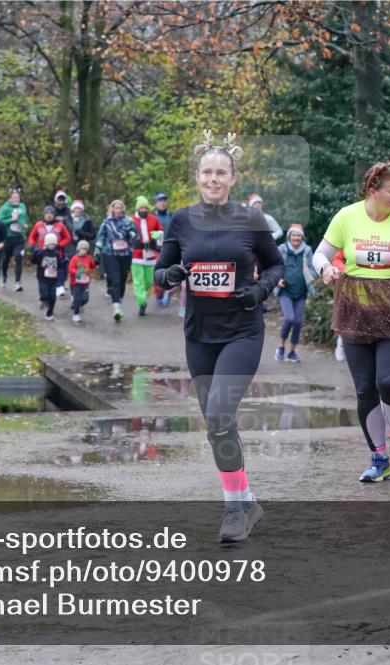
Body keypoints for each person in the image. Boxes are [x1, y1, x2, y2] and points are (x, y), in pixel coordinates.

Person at [154, 130, 284, 543]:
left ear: (232, 178)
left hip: (242, 332)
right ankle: (245, 500)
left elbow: (277, 267)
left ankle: (233, 511)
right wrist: (170, 276)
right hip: (199, 335)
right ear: (197, 177)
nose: (213, 179)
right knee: (216, 425)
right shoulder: (180, 220)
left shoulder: (251, 220)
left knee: (219, 415)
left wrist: (259, 291)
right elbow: (160, 272)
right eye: (207, 172)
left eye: (221, 172)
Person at [312, 159, 390, 483]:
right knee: (366, 388)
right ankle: (379, 458)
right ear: (373, 191)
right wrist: (325, 269)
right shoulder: (347, 216)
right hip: (355, 311)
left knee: (388, 382)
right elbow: (319, 254)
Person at [274, 224, 316, 362]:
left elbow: (314, 269)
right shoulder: (282, 249)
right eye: (294, 235)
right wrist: (278, 279)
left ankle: (291, 352)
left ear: (302, 237)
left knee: (298, 322)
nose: (296, 238)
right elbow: (275, 266)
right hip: (285, 290)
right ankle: (280, 347)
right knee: (290, 318)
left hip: (301, 291)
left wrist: (308, 272)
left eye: (299, 235)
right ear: (289, 237)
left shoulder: (307, 250)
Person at [95, 199, 138, 321]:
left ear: (123, 209)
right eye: (116, 207)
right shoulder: (107, 222)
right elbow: (100, 238)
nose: (118, 210)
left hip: (125, 254)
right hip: (111, 254)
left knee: (123, 280)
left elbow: (136, 236)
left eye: (120, 207)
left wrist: (130, 235)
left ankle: (119, 301)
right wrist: (97, 252)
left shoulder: (129, 221)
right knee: (116, 280)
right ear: (112, 209)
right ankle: (116, 308)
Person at [130, 195, 164, 316]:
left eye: (145, 208)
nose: (144, 210)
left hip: (150, 254)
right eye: (141, 208)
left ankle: (142, 297)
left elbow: (161, 230)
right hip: (137, 254)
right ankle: (142, 302)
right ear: (137, 209)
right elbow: (126, 233)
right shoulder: (131, 220)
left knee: (149, 281)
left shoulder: (153, 219)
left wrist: (159, 233)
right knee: (138, 281)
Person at [0, 188, 29, 292]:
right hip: (7, 238)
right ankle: (4, 277)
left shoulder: (22, 206)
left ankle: (17, 283)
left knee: (18, 257)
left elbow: (24, 217)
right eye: (14, 197)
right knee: (6, 259)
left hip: (19, 238)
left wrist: (24, 225)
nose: (16, 199)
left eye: (17, 197)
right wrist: (11, 220)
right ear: (9, 198)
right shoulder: (4, 208)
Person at [32, 232, 62, 319]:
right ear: (46, 244)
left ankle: (49, 313)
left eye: (53, 244)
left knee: (53, 297)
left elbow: (59, 265)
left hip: (53, 279)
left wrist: (64, 262)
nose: (52, 245)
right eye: (50, 243)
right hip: (43, 278)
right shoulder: (41, 253)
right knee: (45, 294)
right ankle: (43, 300)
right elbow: (34, 261)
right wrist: (34, 253)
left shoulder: (56, 254)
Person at [153, 194, 174, 307]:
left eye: (164, 200)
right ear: (156, 203)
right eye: (160, 201)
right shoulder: (152, 217)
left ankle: (167, 293)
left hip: (171, 247)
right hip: (157, 249)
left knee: (171, 271)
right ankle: (159, 294)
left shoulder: (171, 215)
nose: (162, 203)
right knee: (158, 272)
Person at [69, 239, 96, 323]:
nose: (83, 251)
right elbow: (70, 269)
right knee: (77, 298)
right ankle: (76, 314)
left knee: (85, 298)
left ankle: (77, 305)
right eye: (82, 249)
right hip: (76, 282)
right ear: (78, 249)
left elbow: (92, 265)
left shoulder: (88, 258)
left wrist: (95, 262)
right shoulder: (74, 259)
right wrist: (78, 272)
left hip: (85, 282)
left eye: (85, 249)